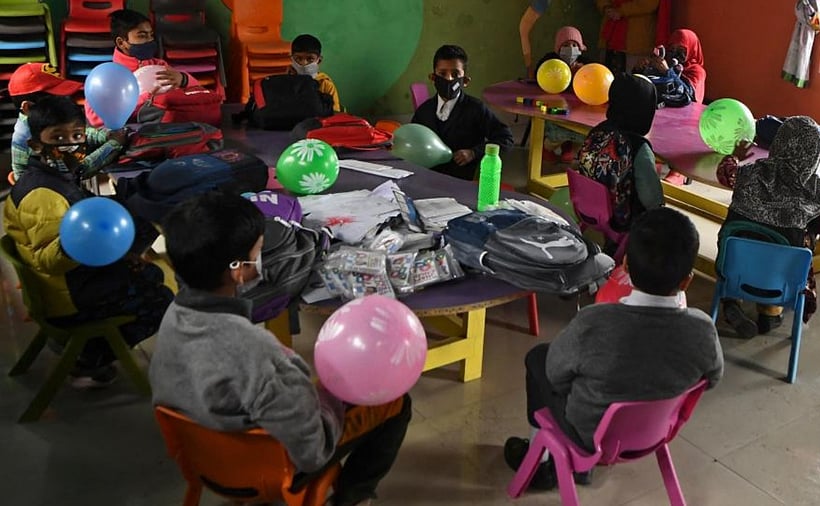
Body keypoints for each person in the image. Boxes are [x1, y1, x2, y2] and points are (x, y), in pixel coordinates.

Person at [151, 191, 411, 506]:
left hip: (201, 458)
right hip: (267, 469)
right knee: (396, 402)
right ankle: (353, 496)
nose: (262, 261)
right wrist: (330, 396)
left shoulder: (171, 317)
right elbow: (313, 451)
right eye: (259, 252)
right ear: (238, 270)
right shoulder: (258, 351)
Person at [503, 207, 723, 490]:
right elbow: (712, 379)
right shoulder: (703, 329)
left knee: (538, 358)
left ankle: (544, 465)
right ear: (687, 280)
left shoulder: (595, 323)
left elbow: (556, 375)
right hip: (658, 431)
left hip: (590, 435)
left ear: (627, 266)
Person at [3, 96, 173, 387]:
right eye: (58, 137)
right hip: (66, 298)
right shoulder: (42, 194)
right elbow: (48, 258)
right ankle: (90, 358)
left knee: (150, 270)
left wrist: (116, 251)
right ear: (35, 145)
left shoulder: (54, 175)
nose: (70, 143)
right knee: (161, 299)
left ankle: (90, 347)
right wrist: (81, 239)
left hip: (65, 285)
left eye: (77, 135)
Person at [715, 116, 820, 338]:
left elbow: (725, 173)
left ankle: (731, 300)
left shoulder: (751, 173)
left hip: (733, 267)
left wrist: (734, 157)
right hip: (780, 276)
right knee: (800, 244)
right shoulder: (817, 191)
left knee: (742, 239)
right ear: (815, 153)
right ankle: (770, 313)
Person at [576, 72, 663, 252]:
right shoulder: (639, 147)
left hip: (588, 206)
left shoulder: (598, 132)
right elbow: (652, 199)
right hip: (621, 218)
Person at [411, 44, 514, 181]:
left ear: (465, 81)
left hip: (463, 181)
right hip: (429, 179)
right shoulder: (424, 111)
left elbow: (505, 138)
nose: (448, 79)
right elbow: (413, 141)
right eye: (442, 73)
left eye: (455, 74)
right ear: (433, 78)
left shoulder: (476, 109)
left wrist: (474, 153)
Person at [9, 63, 126, 181]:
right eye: (56, 99)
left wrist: (104, 135)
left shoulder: (46, 123)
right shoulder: (32, 139)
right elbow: (77, 171)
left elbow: (74, 133)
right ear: (28, 107)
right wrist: (113, 145)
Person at [84, 9, 199, 127]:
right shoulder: (107, 76)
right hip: (132, 133)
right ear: (121, 43)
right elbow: (94, 118)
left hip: (166, 129)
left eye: (151, 35)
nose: (149, 40)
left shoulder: (159, 66)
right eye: (142, 36)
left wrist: (184, 79)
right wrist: (145, 98)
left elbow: (198, 92)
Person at [537, 26, 590, 163]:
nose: (571, 49)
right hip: (556, 108)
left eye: (574, 45)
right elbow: (540, 76)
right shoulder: (550, 62)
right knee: (556, 131)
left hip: (579, 110)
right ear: (558, 47)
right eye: (566, 45)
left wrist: (582, 73)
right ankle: (547, 148)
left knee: (583, 131)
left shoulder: (586, 65)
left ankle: (571, 149)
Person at [633, 28, 706, 105]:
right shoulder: (669, 63)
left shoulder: (697, 71)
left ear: (692, 49)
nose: (675, 53)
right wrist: (640, 69)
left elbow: (688, 94)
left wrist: (667, 72)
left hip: (686, 112)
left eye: (681, 50)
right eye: (672, 48)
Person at [596, 0, 660, 73]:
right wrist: (606, 8)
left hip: (636, 42)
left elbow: (650, 3)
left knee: (632, 79)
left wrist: (621, 11)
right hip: (609, 38)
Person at [287, 34, 341, 112]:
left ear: (319, 60)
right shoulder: (286, 82)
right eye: (298, 58)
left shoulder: (326, 84)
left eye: (310, 59)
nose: (304, 63)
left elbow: (334, 113)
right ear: (291, 59)